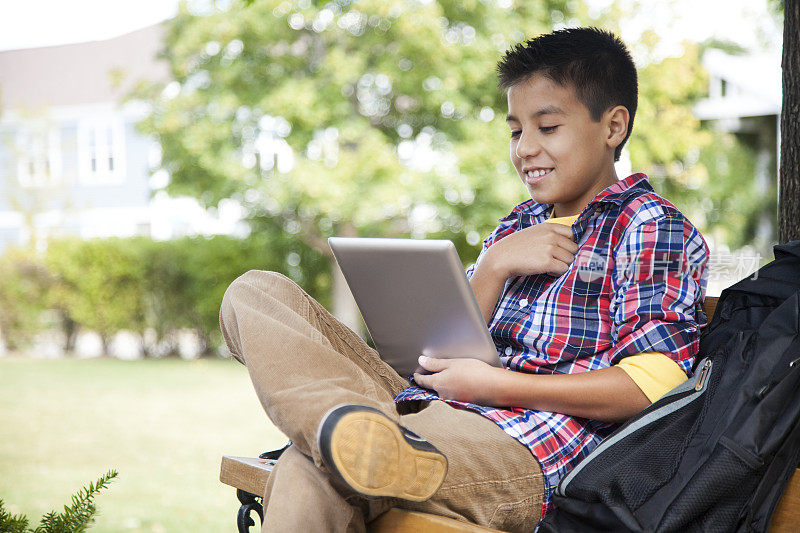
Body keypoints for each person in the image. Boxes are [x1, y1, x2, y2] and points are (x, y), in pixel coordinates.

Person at [219, 27, 709, 532]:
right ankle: (341, 427)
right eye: (517, 131)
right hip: (422, 408)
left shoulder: (649, 227)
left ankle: (345, 438)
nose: (526, 149)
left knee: (308, 470)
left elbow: (654, 384)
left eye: (548, 127)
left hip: (528, 445)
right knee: (254, 292)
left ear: (612, 126)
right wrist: (495, 264)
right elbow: (437, 348)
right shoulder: (516, 225)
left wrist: (496, 386)